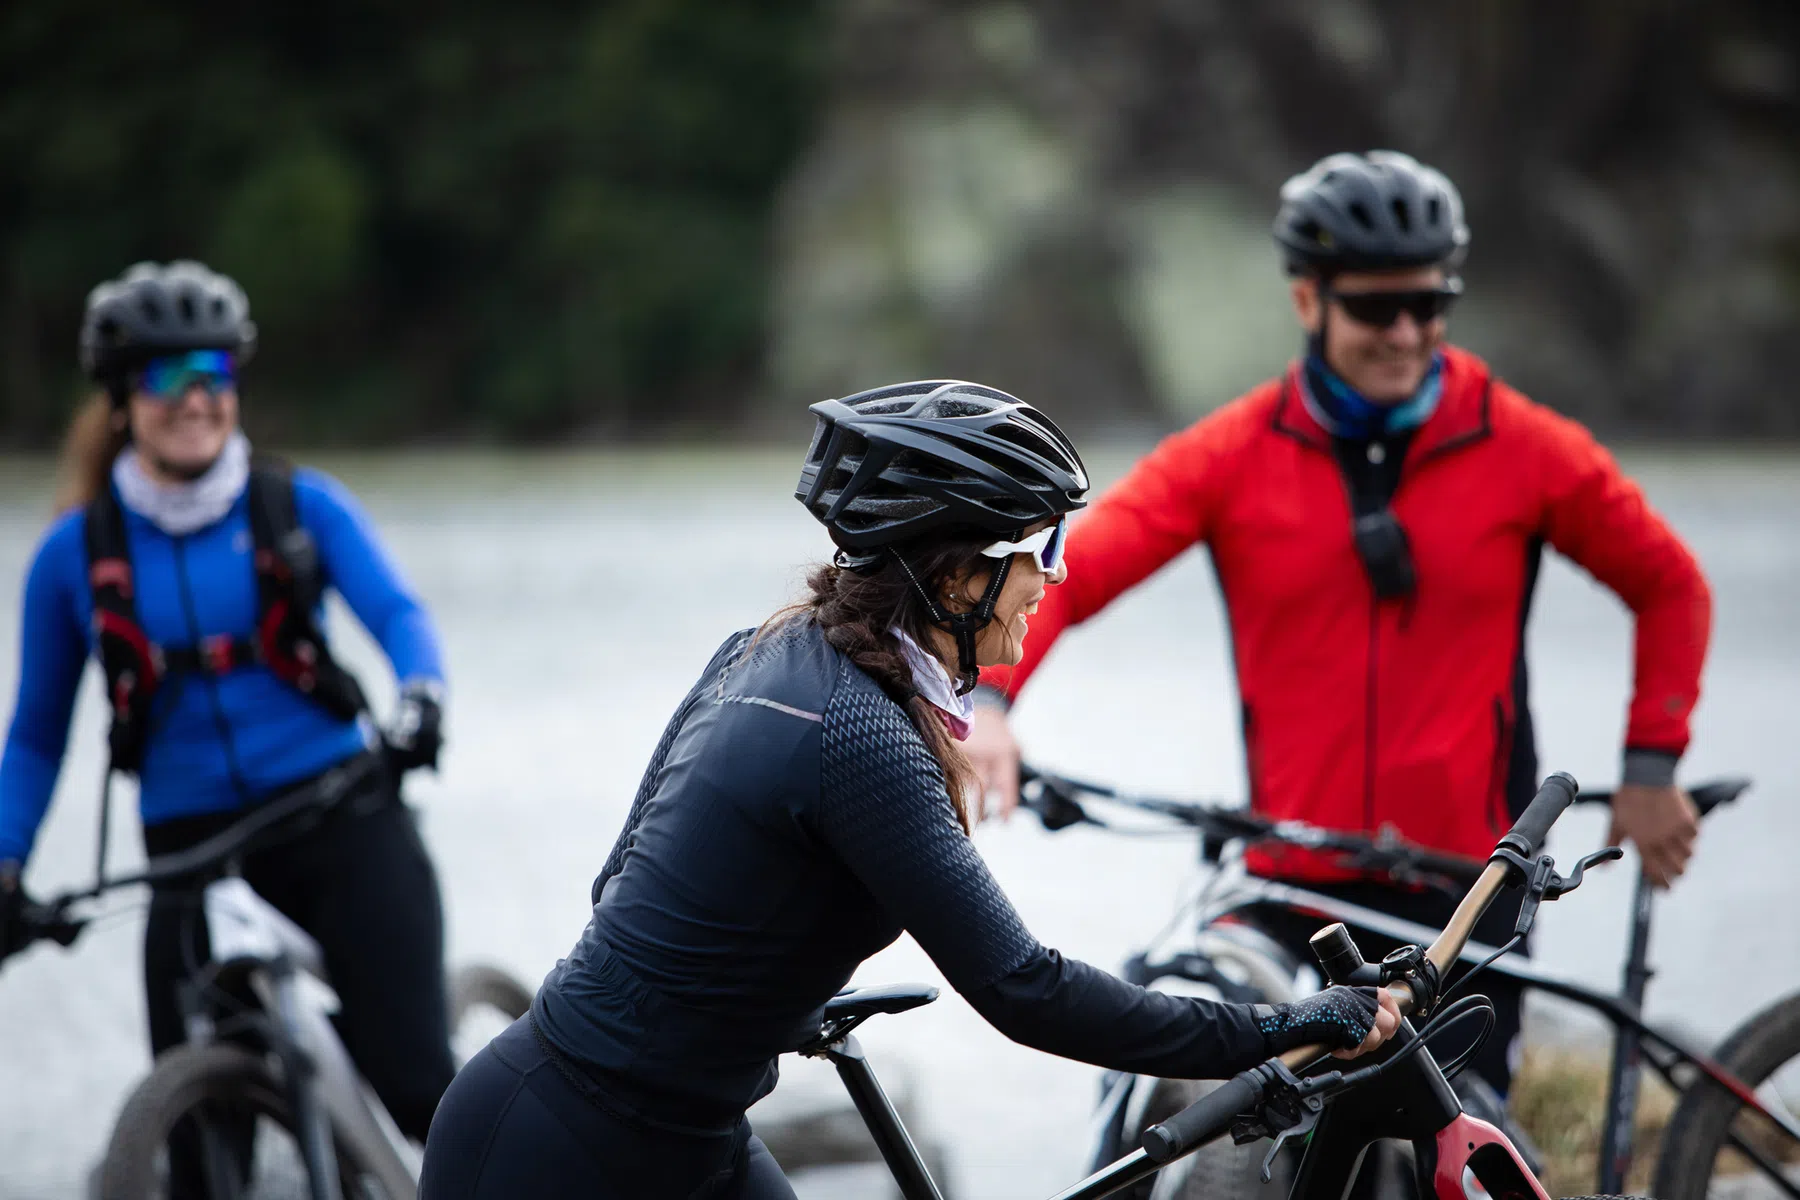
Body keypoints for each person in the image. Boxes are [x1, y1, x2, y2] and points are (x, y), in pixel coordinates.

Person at [419, 381, 1401, 1199]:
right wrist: (1274, 1030)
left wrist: (763, 991)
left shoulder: (769, 647)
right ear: (956, 574)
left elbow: (619, 884)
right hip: (555, 1156)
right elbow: (1027, 991)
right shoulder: (862, 740)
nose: (1051, 582)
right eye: (1039, 552)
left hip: (678, 1134)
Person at [968, 151, 1714, 1097]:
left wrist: (1652, 765)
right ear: (1307, 300)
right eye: (1374, 308)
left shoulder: (1523, 446)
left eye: (1430, 304)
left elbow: (1671, 584)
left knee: (1450, 1145)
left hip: (1468, 893)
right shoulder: (1232, 454)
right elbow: (1062, 576)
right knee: (1193, 1115)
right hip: (1295, 888)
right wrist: (989, 702)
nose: (1407, 333)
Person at [0, 261, 457, 1158]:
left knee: (419, 1089)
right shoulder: (70, 558)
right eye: (169, 377)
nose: (196, 398)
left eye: (214, 374)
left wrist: (421, 696)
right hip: (191, 856)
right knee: (201, 1150)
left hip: (341, 821)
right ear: (124, 400)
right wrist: (7, 863)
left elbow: (400, 616)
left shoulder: (299, 506)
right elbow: (36, 735)